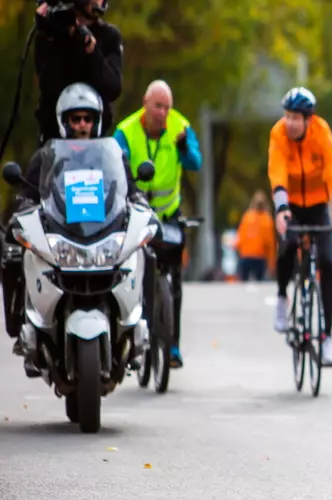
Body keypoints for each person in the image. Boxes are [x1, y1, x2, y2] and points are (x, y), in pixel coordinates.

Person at [3, 82, 146, 357]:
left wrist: (139, 200)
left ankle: (140, 327)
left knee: (145, 251)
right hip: (62, 238)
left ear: (96, 121)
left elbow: (129, 188)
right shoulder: (47, 156)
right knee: (13, 253)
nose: (82, 125)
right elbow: (29, 193)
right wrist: (23, 206)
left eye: (88, 119)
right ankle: (24, 326)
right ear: (64, 121)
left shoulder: (112, 155)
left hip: (104, 238)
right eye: (76, 118)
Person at [113, 79, 203, 369]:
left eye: (167, 107)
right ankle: (132, 337)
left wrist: (185, 148)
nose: (163, 112)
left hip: (168, 215)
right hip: (137, 215)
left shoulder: (180, 127)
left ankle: (173, 345)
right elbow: (112, 168)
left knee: (174, 280)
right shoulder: (125, 132)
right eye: (158, 106)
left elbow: (195, 163)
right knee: (132, 276)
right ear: (145, 103)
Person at [268, 87, 332, 367]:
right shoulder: (278, 134)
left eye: (295, 118)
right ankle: (282, 297)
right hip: (290, 204)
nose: (289, 122)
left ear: (308, 119)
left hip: (317, 207)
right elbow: (276, 170)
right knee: (288, 247)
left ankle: (326, 338)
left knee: (326, 263)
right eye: (287, 116)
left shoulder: (321, 133)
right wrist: (281, 209)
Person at [34, 0, 123, 144]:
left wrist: (92, 52)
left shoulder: (109, 36)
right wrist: (51, 37)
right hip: (55, 142)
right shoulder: (51, 36)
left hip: (96, 141)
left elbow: (113, 88)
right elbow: (48, 86)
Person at [234, 190, 276, 282]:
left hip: (246, 256)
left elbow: (240, 238)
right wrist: (271, 264)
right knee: (260, 281)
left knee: (243, 281)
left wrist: (236, 248)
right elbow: (270, 243)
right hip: (260, 257)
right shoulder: (267, 220)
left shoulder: (247, 217)